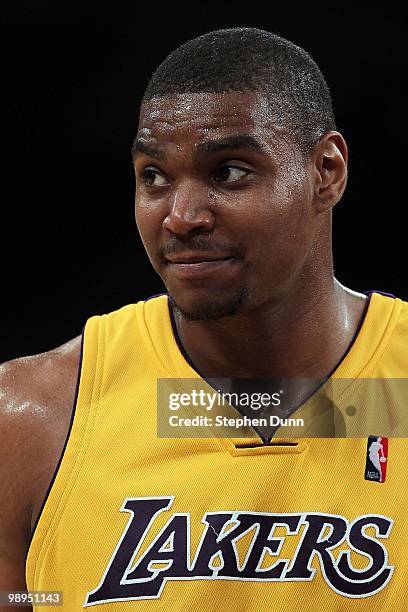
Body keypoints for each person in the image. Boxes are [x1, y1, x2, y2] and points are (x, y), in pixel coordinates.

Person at [0, 27, 407, 611]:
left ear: (327, 172)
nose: (181, 216)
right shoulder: (31, 419)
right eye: (154, 177)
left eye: (229, 172)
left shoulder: (400, 386)